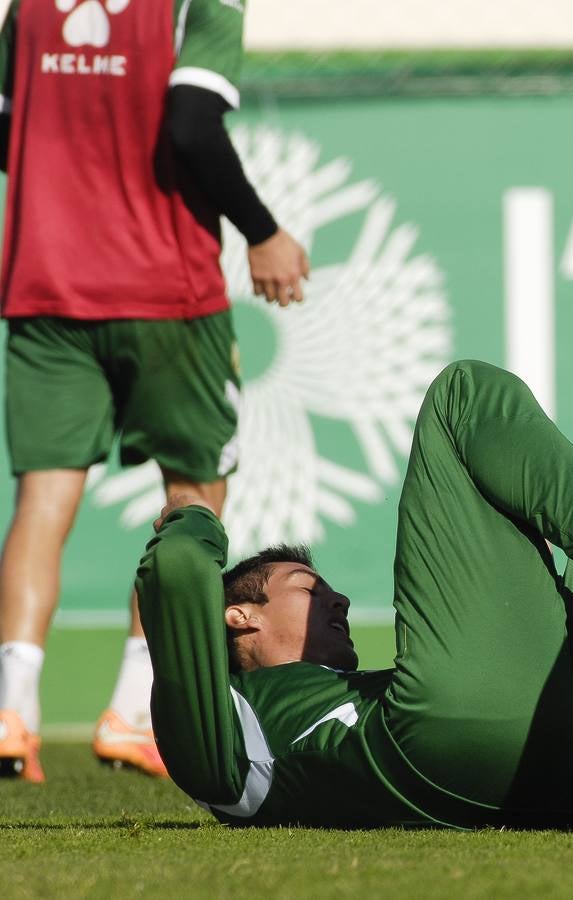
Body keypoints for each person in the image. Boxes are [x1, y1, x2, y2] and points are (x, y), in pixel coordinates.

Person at [137, 361, 573, 828]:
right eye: (306, 588)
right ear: (238, 616)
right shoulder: (225, 721)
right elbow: (178, 567)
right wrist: (190, 511)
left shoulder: (348, 690)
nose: (337, 601)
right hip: (452, 744)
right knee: (463, 394)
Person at [0, 0, 309, 782]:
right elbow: (191, 127)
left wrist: (72, 193)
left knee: (42, 501)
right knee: (193, 498)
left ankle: (10, 712)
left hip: (45, 282)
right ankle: (133, 710)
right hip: (164, 290)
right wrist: (262, 230)